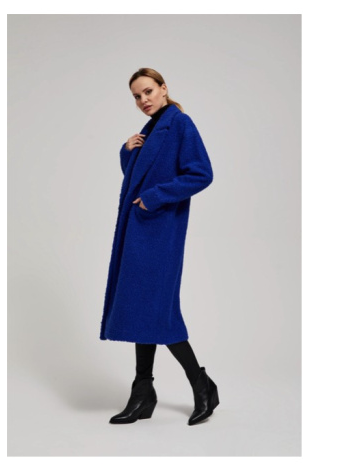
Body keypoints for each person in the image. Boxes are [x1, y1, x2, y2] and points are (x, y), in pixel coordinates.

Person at [100, 68, 219, 425]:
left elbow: (201, 173)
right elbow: (137, 178)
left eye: (148, 91)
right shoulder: (150, 131)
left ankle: (202, 384)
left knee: (158, 312)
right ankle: (143, 392)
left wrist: (154, 198)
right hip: (139, 231)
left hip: (160, 231)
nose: (143, 100)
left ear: (164, 88)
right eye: (137, 96)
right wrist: (127, 152)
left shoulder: (180, 124)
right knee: (142, 309)